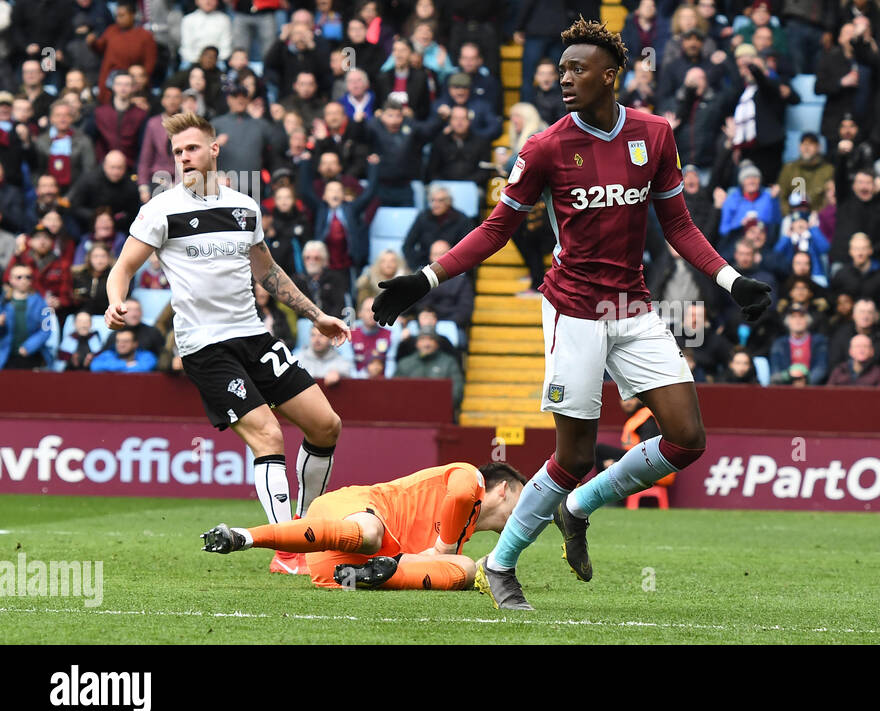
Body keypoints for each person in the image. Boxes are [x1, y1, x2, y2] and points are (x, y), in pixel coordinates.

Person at [370, 19, 771, 610]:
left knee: (687, 438)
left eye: (577, 70)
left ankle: (579, 505)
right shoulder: (545, 147)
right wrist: (425, 279)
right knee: (574, 455)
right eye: (560, 70)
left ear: (611, 76)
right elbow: (496, 228)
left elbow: (679, 226)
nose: (563, 79)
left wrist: (732, 280)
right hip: (574, 310)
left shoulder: (655, 134)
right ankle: (500, 565)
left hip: (631, 305)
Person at [105, 112, 352, 576]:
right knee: (269, 436)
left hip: (254, 336)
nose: (184, 158)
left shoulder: (245, 207)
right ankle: (289, 550)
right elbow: (121, 269)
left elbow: (269, 273)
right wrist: (116, 301)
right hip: (205, 347)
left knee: (326, 425)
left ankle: (308, 528)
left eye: (192, 148)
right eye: (177, 152)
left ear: (214, 150)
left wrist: (316, 316)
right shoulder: (160, 210)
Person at [202, 462, 526, 591]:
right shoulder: (471, 476)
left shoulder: (462, 536)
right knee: (371, 535)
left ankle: (365, 579)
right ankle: (243, 537)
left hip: (336, 571)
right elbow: (461, 493)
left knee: (467, 569)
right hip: (346, 514)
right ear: (503, 489)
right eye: (523, 500)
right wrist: (443, 547)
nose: (525, 513)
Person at [0, 263, 53, 369]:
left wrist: (29, 347)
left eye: (27, 277)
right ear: (11, 279)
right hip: (6, 355)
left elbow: (46, 329)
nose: (23, 280)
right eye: (19, 277)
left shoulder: (42, 303)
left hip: (31, 355)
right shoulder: (3, 302)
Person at [90, 329, 158, 373]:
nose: (121, 345)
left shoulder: (147, 356)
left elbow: (145, 368)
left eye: (126, 341)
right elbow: (95, 366)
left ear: (135, 344)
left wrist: (112, 368)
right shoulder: (108, 355)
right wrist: (125, 364)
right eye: (118, 341)